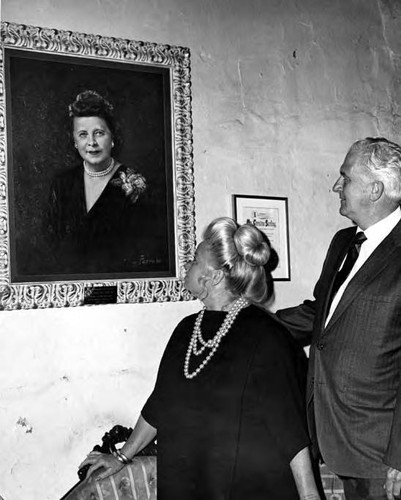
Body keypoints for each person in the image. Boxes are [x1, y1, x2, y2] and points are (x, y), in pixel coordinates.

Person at [79, 217, 322, 500]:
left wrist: (309, 495)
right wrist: (121, 457)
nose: (188, 267)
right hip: (184, 484)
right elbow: (161, 403)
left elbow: (289, 430)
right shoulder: (186, 329)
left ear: (214, 276)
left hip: (242, 488)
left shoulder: (267, 337)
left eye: (194, 260)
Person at [276, 137, 401, 500]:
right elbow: (321, 315)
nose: (336, 186)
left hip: (383, 450)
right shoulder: (343, 242)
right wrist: (251, 324)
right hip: (338, 435)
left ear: (375, 189)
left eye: (344, 177)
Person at [45, 90, 165, 275]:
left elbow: (144, 253)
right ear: (75, 141)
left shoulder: (137, 186)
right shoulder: (62, 184)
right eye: (83, 134)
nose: (91, 142)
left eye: (99, 133)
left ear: (113, 138)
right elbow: (52, 245)